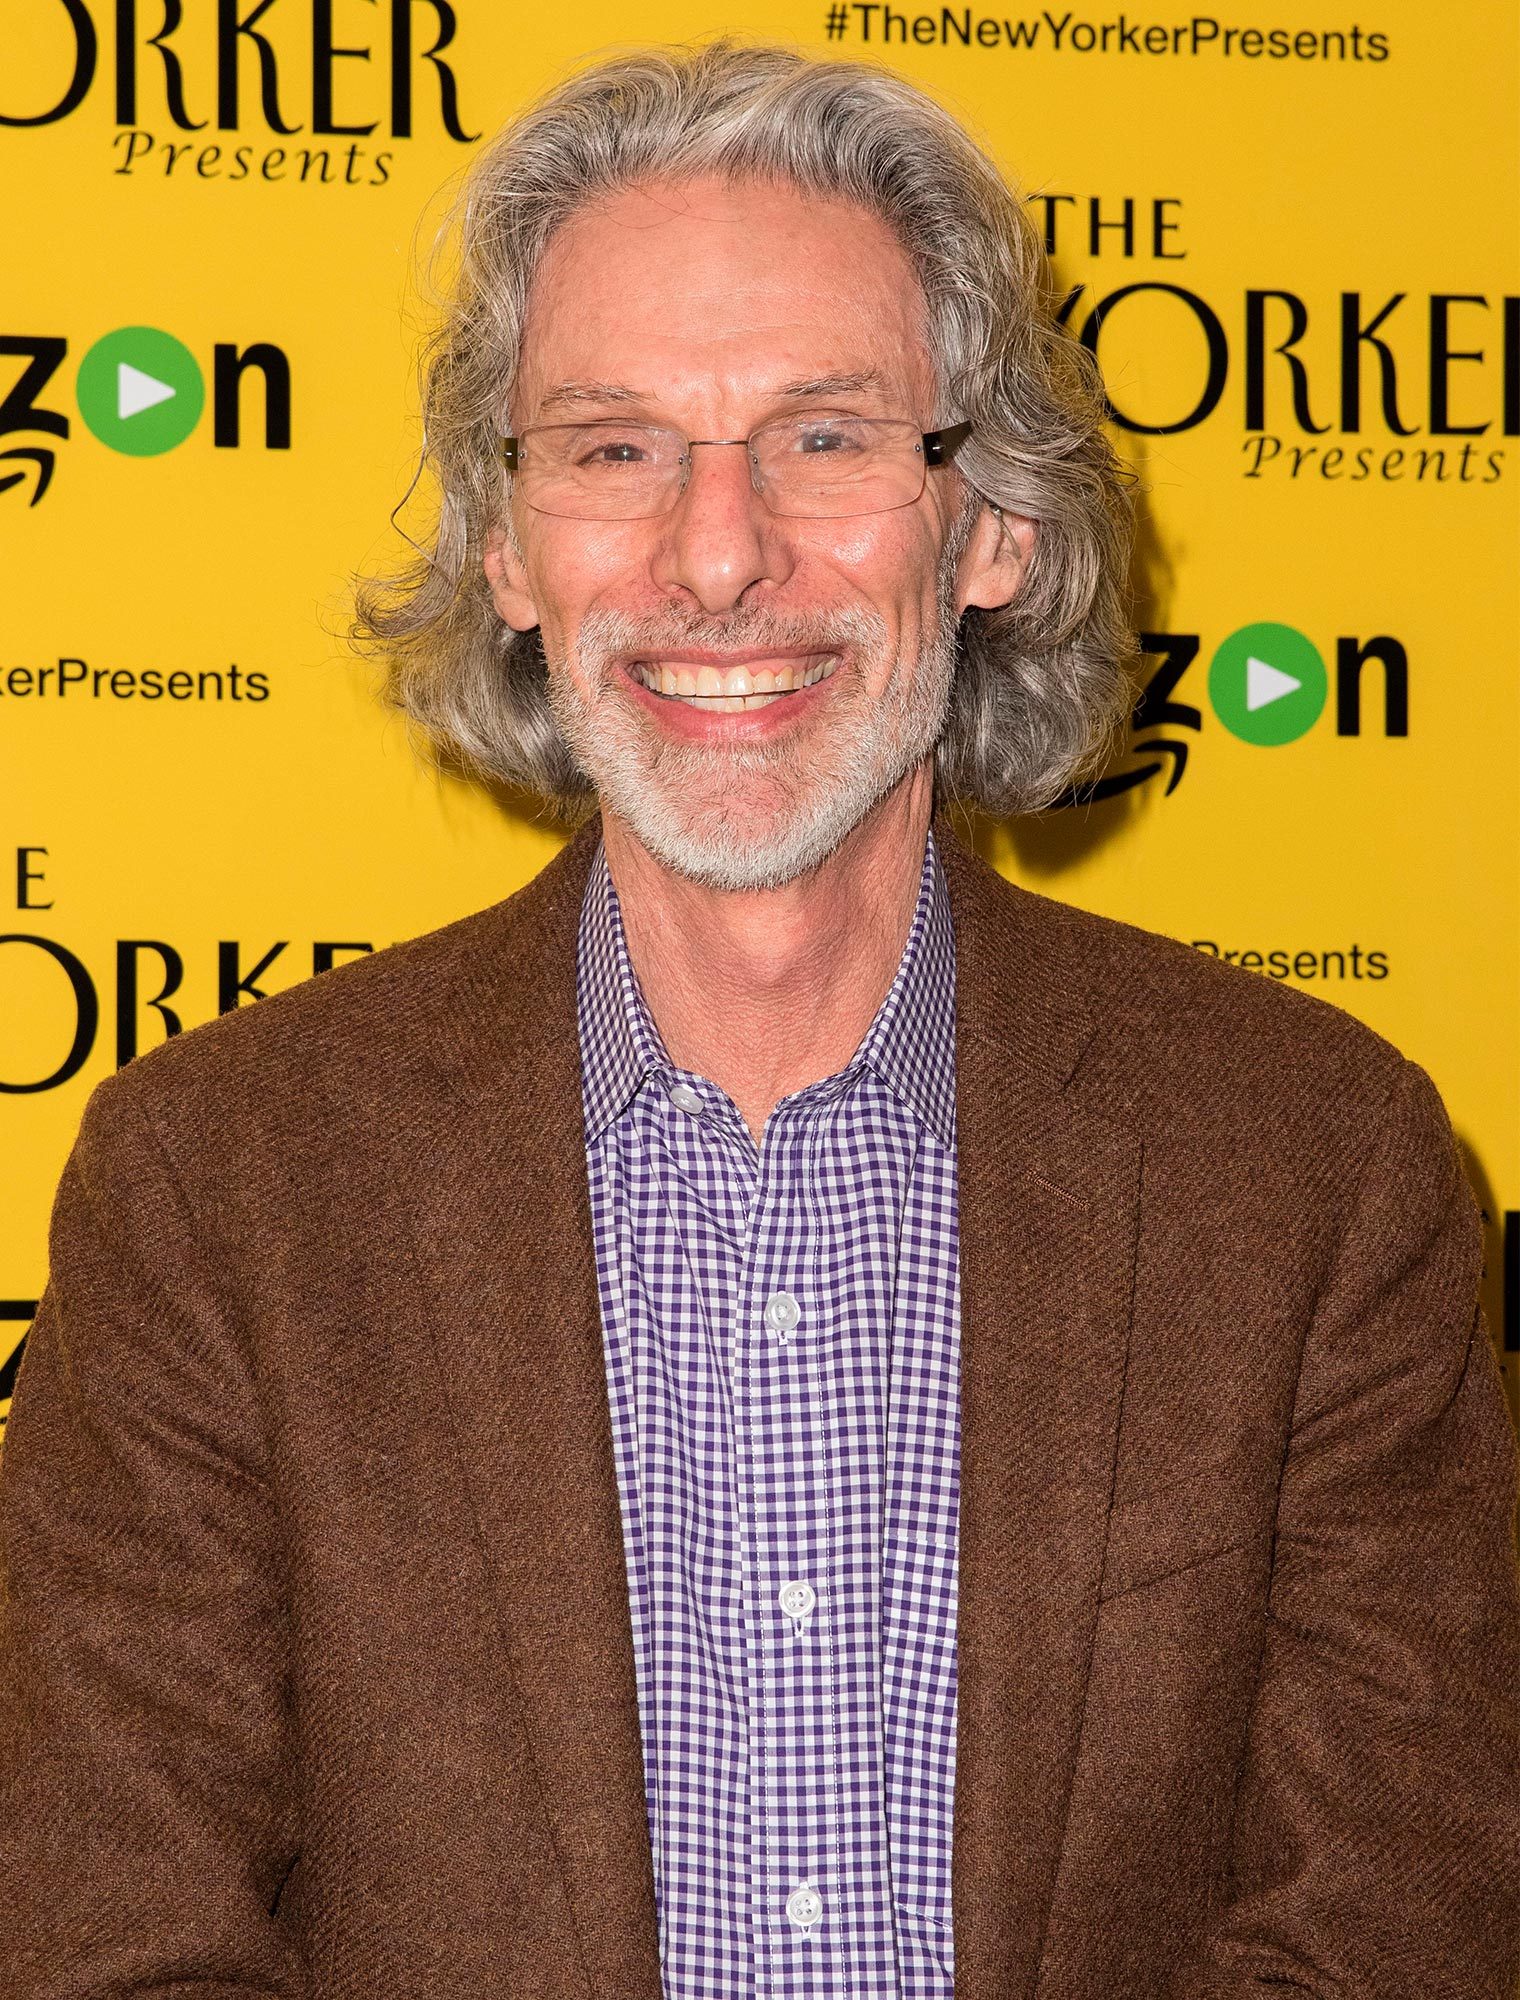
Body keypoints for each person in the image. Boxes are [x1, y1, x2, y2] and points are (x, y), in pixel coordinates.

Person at [1, 41, 1515, 2000]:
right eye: (615, 447)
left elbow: (1397, 1926)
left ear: (992, 531)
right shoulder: (220, 1183)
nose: (717, 558)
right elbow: (111, 1935)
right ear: (511, 546)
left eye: (824, 438)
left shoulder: (1318, 1167)